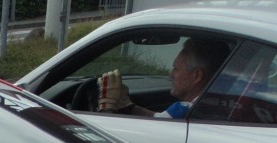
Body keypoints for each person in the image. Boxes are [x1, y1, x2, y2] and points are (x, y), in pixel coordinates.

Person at [98, 38, 229, 119]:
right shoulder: (220, 104)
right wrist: (128, 106)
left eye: (176, 69)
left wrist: (107, 104)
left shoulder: (184, 110)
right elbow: (159, 119)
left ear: (197, 76)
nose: (170, 75)